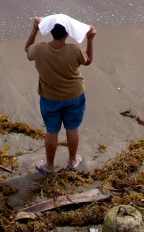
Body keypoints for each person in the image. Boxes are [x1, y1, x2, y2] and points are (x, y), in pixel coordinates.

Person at [25, 15, 97, 173]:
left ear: (50, 31)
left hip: (50, 97)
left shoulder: (40, 48)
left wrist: (35, 28)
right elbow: (88, 60)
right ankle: (72, 161)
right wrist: (90, 39)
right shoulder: (74, 49)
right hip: (74, 95)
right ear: (67, 33)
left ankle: (49, 165)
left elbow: (27, 49)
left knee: (52, 131)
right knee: (72, 128)